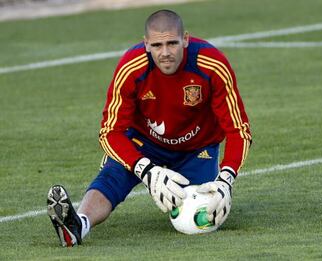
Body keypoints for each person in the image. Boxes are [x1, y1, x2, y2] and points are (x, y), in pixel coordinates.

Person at [47, 9, 252, 247]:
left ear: (185, 39)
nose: (165, 53)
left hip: (198, 148)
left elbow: (239, 129)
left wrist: (226, 179)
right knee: (113, 175)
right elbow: (109, 132)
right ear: (146, 44)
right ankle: (77, 225)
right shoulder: (131, 67)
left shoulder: (212, 64)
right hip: (144, 143)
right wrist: (147, 171)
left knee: (203, 214)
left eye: (172, 43)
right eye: (157, 45)